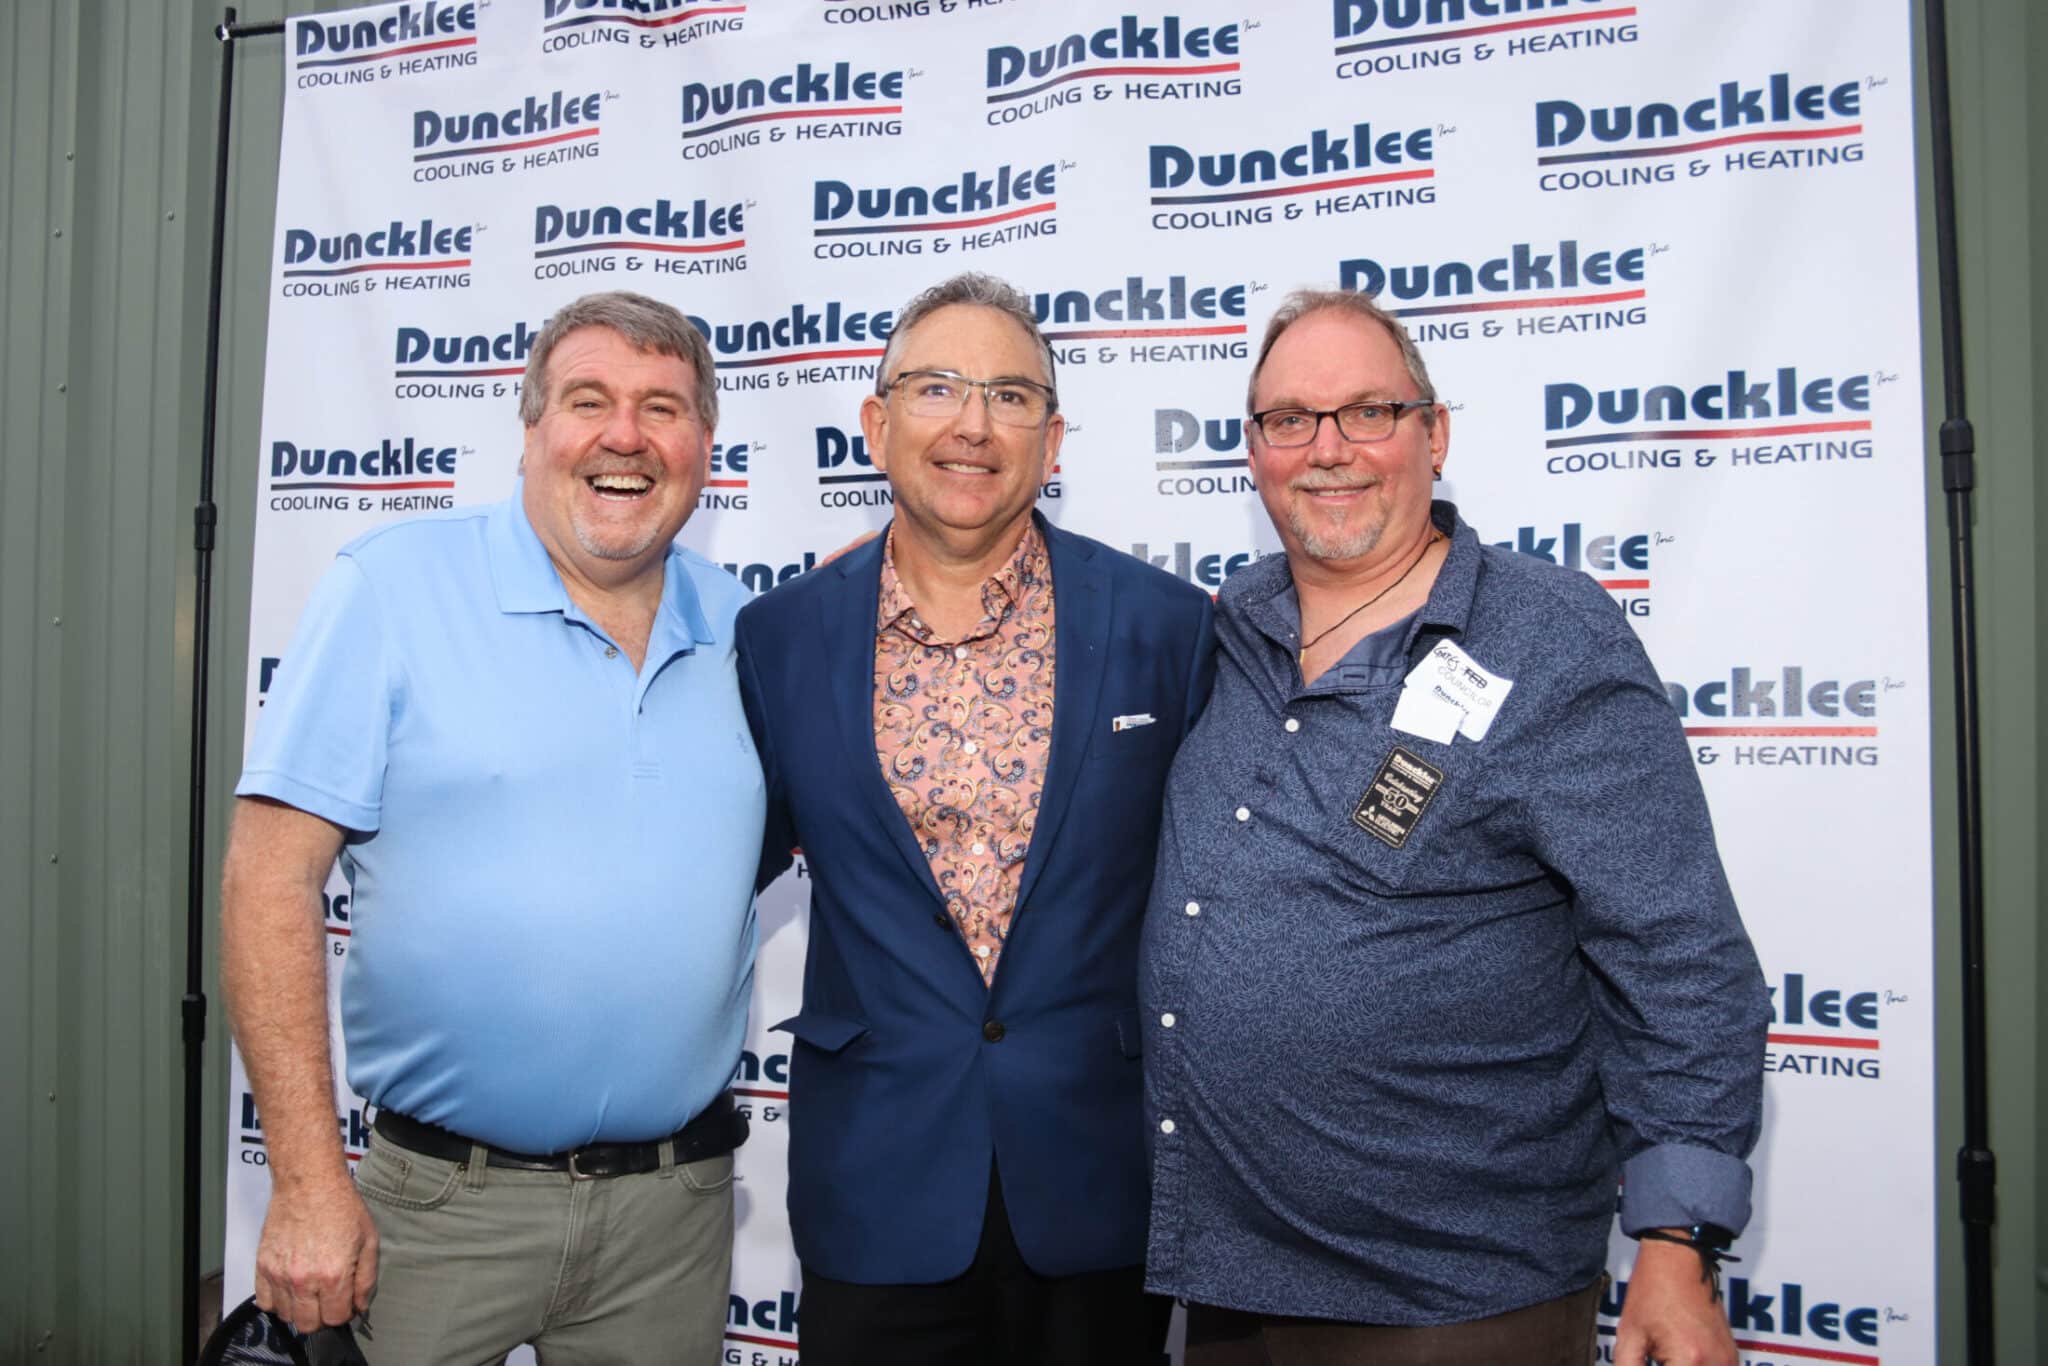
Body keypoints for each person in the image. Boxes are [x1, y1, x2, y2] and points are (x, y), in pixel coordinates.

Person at [1140, 288, 1770, 1366]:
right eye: (1289, 419)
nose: (1327, 449)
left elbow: (1677, 952)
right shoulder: (1232, 626)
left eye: (1367, 413)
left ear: (1432, 433)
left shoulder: (1548, 638)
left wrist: (1675, 1239)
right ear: (1252, 453)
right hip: (1227, 1288)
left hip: (1453, 1300)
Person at [222, 290, 759, 1361]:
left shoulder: (750, 628)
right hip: (429, 1219)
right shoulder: (391, 586)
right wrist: (307, 1184)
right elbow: (267, 882)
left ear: (705, 445)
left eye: (662, 407)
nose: (624, 436)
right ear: (530, 433)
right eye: (587, 400)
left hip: (672, 1218)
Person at [735, 272, 1214, 1365]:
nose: (972, 424)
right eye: (937, 387)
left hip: (1097, 1182)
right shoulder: (782, 637)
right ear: (876, 421)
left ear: (1052, 441)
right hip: (876, 1182)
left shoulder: (1165, 627)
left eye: (1009, 395)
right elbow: (720, 864)